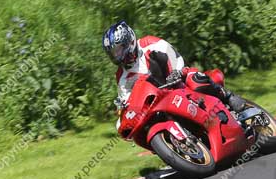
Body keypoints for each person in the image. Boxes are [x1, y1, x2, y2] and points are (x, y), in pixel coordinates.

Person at [102, 20, 246, 115]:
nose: (117, 55)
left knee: (195, 80)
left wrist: (176, 72)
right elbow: (126, 98)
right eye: (113, 53)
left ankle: (227, 96)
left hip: (178, 82)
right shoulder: (122, 75)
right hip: (160, 102)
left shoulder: (149, 43)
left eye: (119, 49)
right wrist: (125, 109)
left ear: (129, 41)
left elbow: (173, 55)